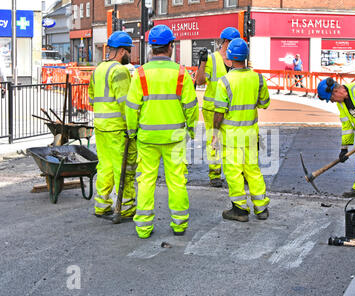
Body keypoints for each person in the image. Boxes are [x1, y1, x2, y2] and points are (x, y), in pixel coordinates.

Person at [125, 25, 199, 239]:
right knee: (176, 180)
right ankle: (179, 224)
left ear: (151, 48)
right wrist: (191, 129)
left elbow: (131, 108)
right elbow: (191, 106)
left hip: (147, 138)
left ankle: (144, 227)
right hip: (174, 138)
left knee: (146, 180)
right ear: (170, 47)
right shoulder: (182, 73)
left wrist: (132, 131)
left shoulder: (140, 74)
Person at [211, 38, 271, 221]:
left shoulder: (225, 82)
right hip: (251, 135)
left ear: (229, 58)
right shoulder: (258, 78)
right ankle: (261, 208)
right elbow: (264, 103)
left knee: (233, 172)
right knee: (253, 170)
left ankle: (240, 209)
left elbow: (219, 112)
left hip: (231, 137)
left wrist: (214, 133)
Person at [88, 31, 137, 219]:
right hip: (117, 128)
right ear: (122, 51)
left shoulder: (98, 69)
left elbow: (92, 99)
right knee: (123, 168)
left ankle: (101, 205)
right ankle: (125, 207)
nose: (130, 56)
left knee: (105, 166)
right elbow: (127, 104)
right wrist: (132, 127)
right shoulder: (119, 71)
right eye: (129, 51)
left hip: (100, 127)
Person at [196, 27, 241, 188]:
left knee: (233, 140)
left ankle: (235, 171)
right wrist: (201, 63)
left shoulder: (238, 58)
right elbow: (200, 81)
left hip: (232, 108)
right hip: (212, 107)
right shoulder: (212, 59)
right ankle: (215, 173)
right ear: (226, 42)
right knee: (214, 139)